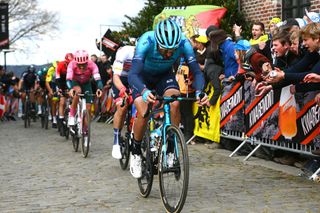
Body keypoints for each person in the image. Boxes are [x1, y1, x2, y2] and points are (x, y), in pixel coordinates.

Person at [128, 19, 208, 178]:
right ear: (158, 42)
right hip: (142, 77)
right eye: (165, 50)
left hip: (164, 76)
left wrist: (199, 91)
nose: (170, 54)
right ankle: (135, 150)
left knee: (175, 102)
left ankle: (171, 146)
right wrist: (143, 91)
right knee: (144, 112)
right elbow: (133, 74)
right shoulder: (147, 41)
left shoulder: (184, 43)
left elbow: (197, 73)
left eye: (173, 50)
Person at [66, 50, 103, 126]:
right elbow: (68, 79)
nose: (82, 67)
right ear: (76, 63)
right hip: (75, 82)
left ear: (87, 62)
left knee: (88, 108)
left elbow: (98, 79)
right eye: (79, 65)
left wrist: (99, 88)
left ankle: (84, 129)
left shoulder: (92, 65)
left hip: (86, 83)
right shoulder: (71, 64)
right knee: (78, 92)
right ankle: (72, 116)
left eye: (84, 64)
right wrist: (70, 89)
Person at [111, 45, 135, 159]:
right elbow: (116, 76)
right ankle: (116, 140)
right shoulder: (125, 52)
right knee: (122, 105)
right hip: (120, 78)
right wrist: (121, 89)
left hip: (134, 79)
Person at [56, 53, 74, 130]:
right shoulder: (60, 65)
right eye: (68, 62)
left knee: (73, 99)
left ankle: (72, 115)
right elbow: (57, 78)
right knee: (62, 101)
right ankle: (61, 118)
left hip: (70, 82)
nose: (69, 64)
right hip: (61, 83)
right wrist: (60, 88)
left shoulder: (74, 65)